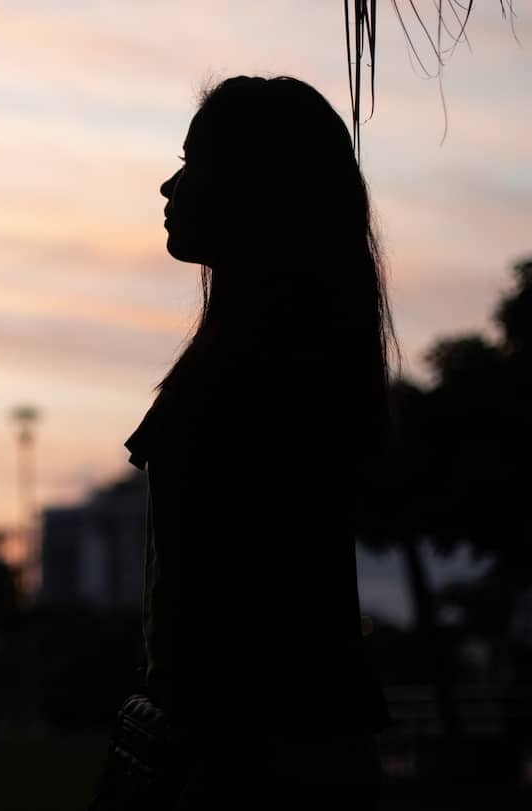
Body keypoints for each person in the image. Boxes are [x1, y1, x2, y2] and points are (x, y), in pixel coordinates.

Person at [94, 76, 393, 809]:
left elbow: (229, 603)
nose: (170, 184)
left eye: (196, 163)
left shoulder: (263, 371)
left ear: (258, 189)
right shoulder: (285, 355)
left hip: (246, 756)